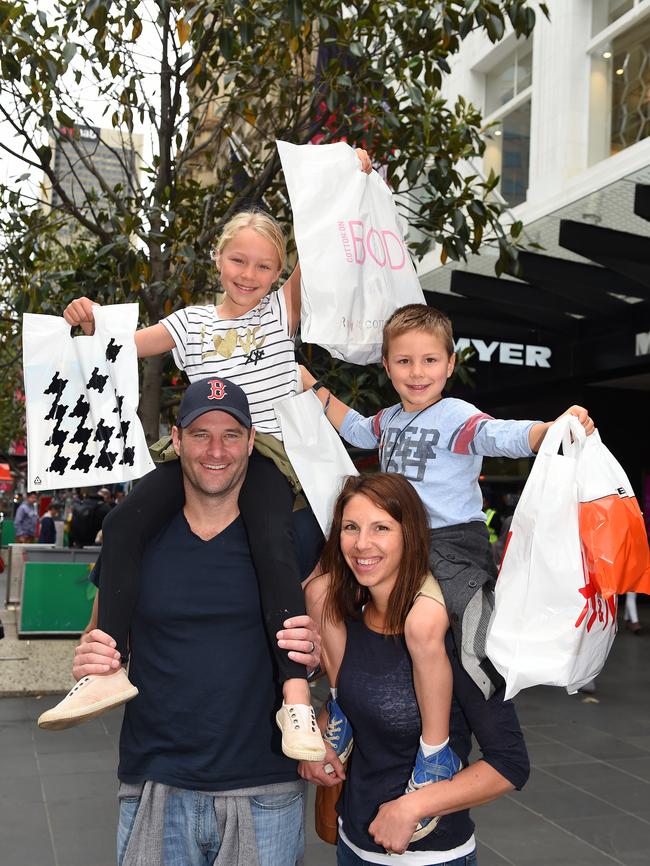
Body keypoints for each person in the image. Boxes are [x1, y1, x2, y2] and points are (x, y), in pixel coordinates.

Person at [47, 152, 370, 757]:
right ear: (218, 259)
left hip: (267, 453)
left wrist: (347, 182)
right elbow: (117, 345)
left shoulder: (282, 311)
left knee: (273, 543)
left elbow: (325, 242)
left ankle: (295, 698)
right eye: (238, 260)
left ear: (279, 274)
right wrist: (86, 321)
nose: (249, 274)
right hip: (196, 452)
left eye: (264, 266)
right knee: (123, 523)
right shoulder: (191, 321)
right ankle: (105, 666)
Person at [302, 303, 593, 834]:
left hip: (449, 545)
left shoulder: (456, 415)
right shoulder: (389, 420)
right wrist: (312, 387)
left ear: (450, 363)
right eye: (405, 361)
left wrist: (549, 430)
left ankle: (441, 743)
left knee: (432, 624)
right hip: (398, 542)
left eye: (430, 360)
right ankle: (342, 705)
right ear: (387, 367)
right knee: (320, 586)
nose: (417, 373)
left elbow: (498, 434)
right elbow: (358, 429)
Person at [39, 378, 321, 866]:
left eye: (231, 435)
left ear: (252, 442)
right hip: (155, 783)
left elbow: (326, 639)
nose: (216, 450)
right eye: (200, 434)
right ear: (177, 439)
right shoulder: (139, 536)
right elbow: (97, 629)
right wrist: (90, 651)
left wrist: (314, 661)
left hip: (264, 787)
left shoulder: (293, 534)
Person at [300, 473, 530, 863]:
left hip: (431, 857)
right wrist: (313, 743)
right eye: (351, 528)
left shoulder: (448, 634)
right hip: (352, 847)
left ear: (410, 536)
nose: (362, 544)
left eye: (381, 528)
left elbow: (509, 763)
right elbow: (361, 705)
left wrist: (413, 807)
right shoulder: (348, 623)